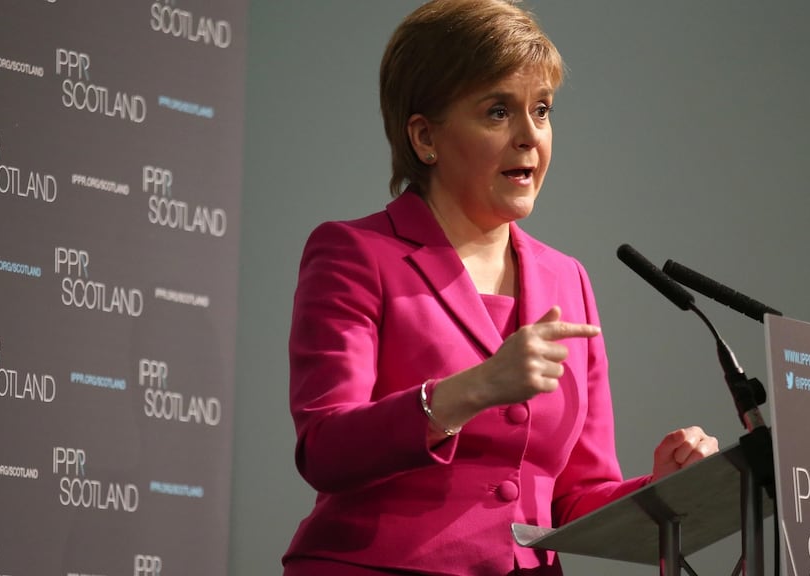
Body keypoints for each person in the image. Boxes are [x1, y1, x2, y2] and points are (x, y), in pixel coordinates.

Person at [283, 1, 718, 574]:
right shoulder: (356, 254)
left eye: (542, 111)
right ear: (424, 137)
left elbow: (573, 498)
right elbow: (325, 447)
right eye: (497, 112)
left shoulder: (569, 279)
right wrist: (476, 388)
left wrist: (663, 490)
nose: (528, 137)